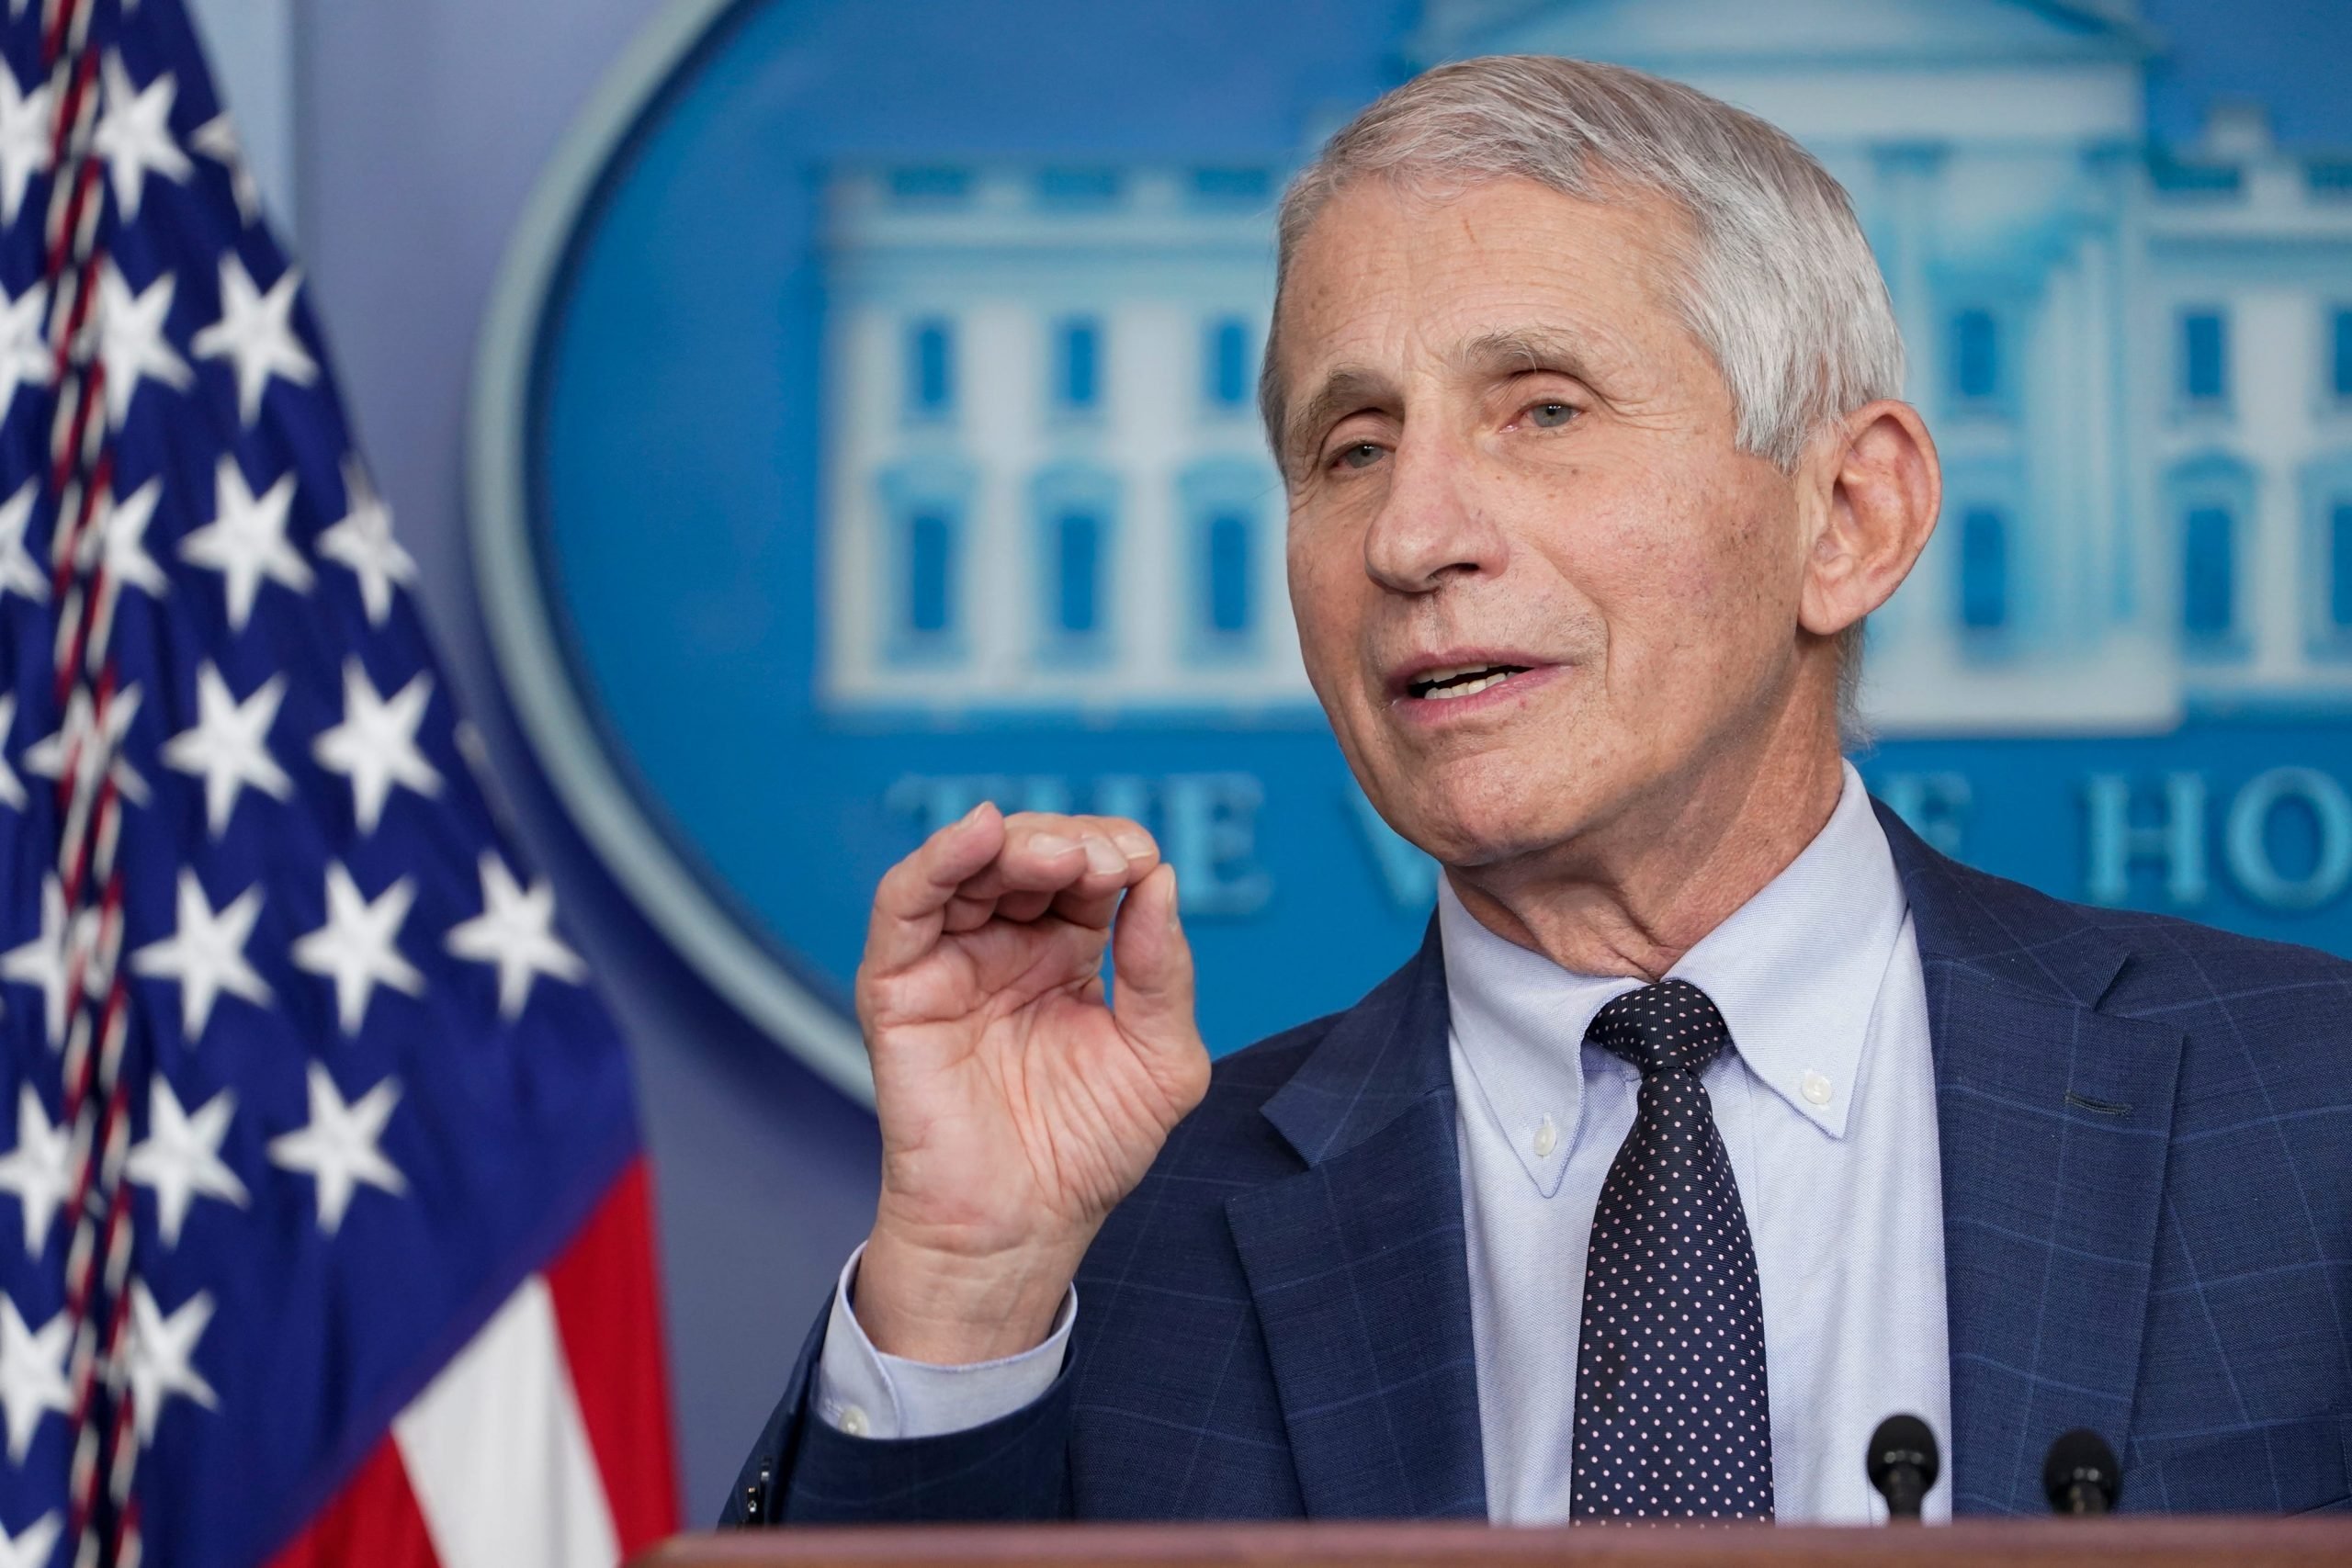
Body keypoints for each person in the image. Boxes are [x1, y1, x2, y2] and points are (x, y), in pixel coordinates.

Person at [725, 55, 2352, 1525]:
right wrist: (972, 1288)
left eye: (1544, 411)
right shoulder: (1116, 1244)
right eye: (1351, 445)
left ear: (1848, 516)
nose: (1414, 537)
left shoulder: (2311, 1116)